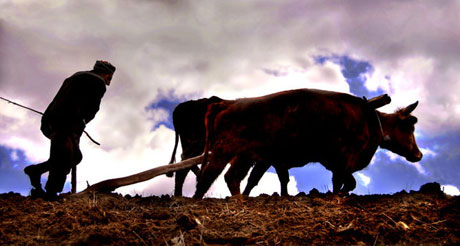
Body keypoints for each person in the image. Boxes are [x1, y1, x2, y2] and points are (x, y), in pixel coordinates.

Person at [24, 60, 116, 200]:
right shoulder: (98, 82)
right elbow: (93, 108)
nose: (109, 83)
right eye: (109, 78)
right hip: (68, 123)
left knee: (71, 156)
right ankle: (51, 193)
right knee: (65, 157)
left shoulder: (75, 76)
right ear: (104, 73)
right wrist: (83, 121)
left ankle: (37, 171)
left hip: (52, 119)